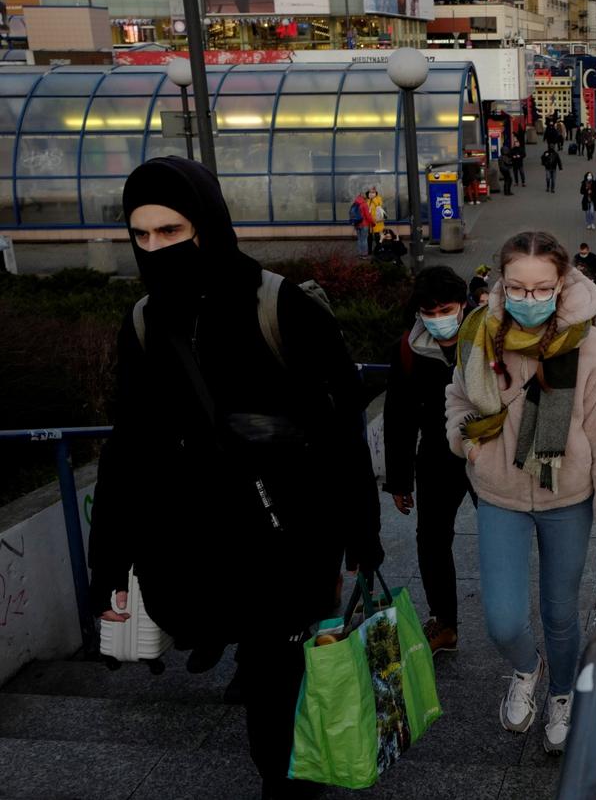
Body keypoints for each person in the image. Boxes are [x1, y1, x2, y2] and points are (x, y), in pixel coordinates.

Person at [91, 157, 383, 799]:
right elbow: (129, 445)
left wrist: (361, 535)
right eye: (141, 236)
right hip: (201, 543)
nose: (155, 248)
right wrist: (109, 562)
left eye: (171, 231)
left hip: (289, 539)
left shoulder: (282, 308)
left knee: (276, 710)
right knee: (264, 683)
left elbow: (342, 435)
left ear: (208, 225)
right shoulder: (144, 323)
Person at [444, 231, 596, 755]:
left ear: (562, 283)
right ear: (502, 284)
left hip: (567, 496)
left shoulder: (590, 346)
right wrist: (465, 442)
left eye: (542, 288)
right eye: (518, 289)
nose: (530, 301)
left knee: (559, 612)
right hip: (499, 491)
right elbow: (458, 393)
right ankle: (528, 668)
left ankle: (563, 694)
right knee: (504, 619)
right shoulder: (481, 332)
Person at [385, 267, 475, 654]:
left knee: (506, 533)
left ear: (463, 304)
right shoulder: (409, 347)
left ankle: (514, 620)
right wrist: (399, 480)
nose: (438, 318)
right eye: (429, 311)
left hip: (485, 448)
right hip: (437, 454)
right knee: (432, 539)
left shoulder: (486, 336)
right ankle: (444, 622)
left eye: (445, 309)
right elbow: (399, 414)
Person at [350, 190, 373, 257]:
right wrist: (373, 223)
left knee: (359, 239)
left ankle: (360, 253)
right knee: (364, 240)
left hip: (357, 224)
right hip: (364, 224)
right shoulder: (364, 204)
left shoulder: (355, 203)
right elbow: (368, 216)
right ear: (365, 196)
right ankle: (364, 254)